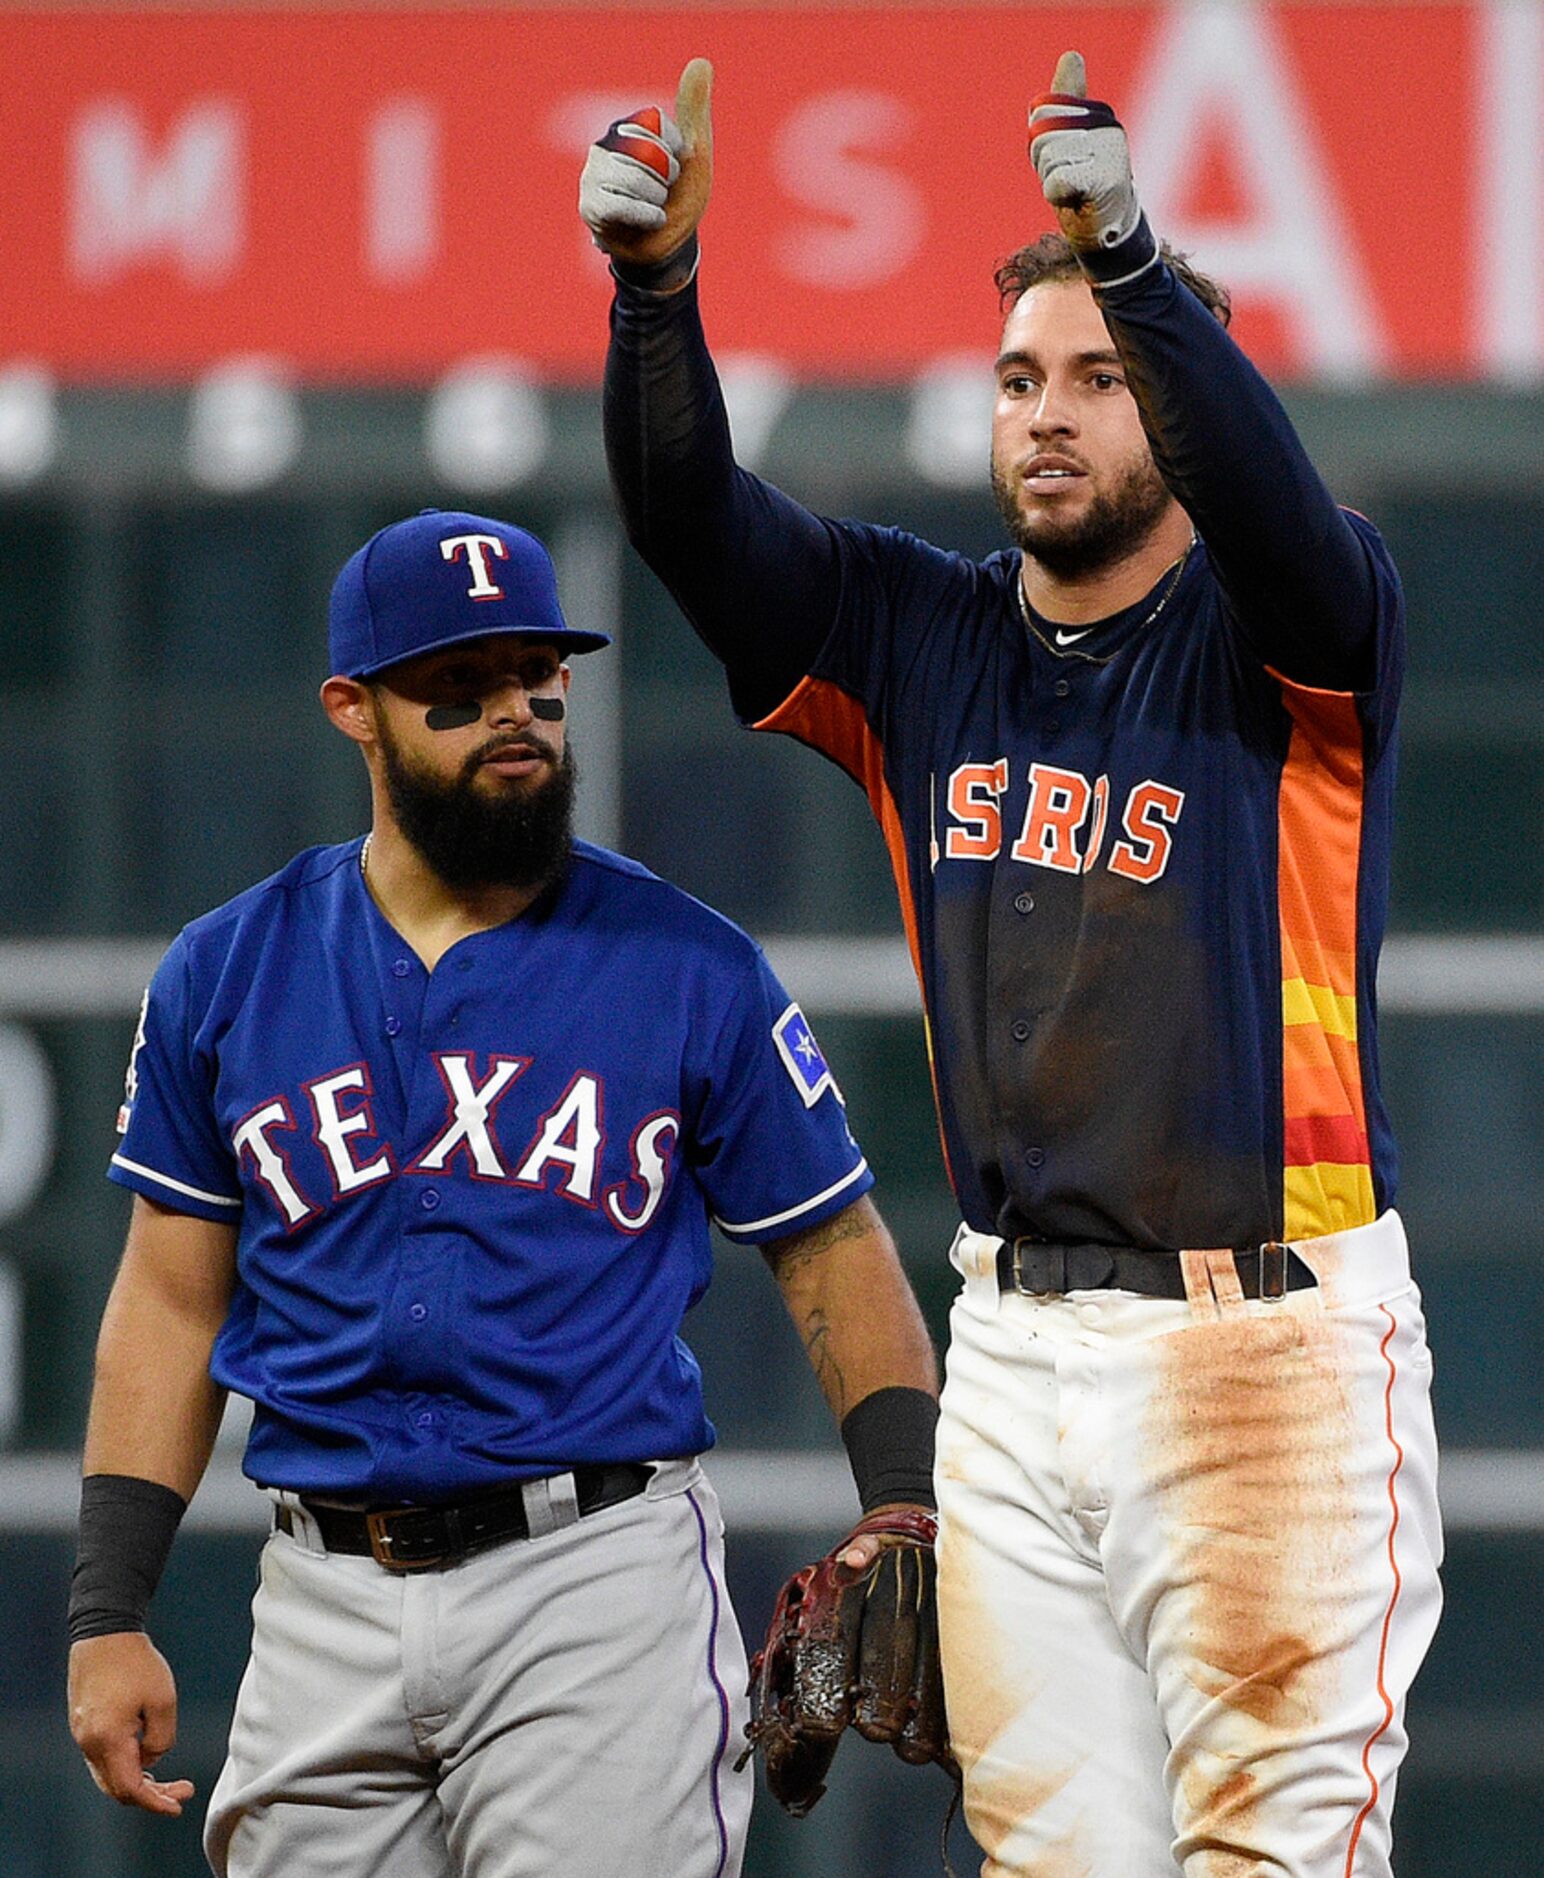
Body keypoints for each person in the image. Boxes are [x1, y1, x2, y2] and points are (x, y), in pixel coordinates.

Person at [581, 50, 1444, 1878]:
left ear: (1186, 420)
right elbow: (687, 522)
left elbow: (1280, 515)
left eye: (1103, 383)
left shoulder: (1304, 630)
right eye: (1021, 380)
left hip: (1268, 1350)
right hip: (1015, 1356)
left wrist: (1127, 256)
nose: (1047, 416)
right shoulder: (920, 633)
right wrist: (655, 299)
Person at [66, 508, 943, 1878]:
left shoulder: (683, 961)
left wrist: (901, 1504)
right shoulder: (225, 971)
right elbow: (169, 1307)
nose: (511, 716)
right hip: (323, 1594)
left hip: (590, 1579)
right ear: (354, 709)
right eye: (458, 692)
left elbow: (830, 1245)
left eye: (536, 678)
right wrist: (108, 1604)